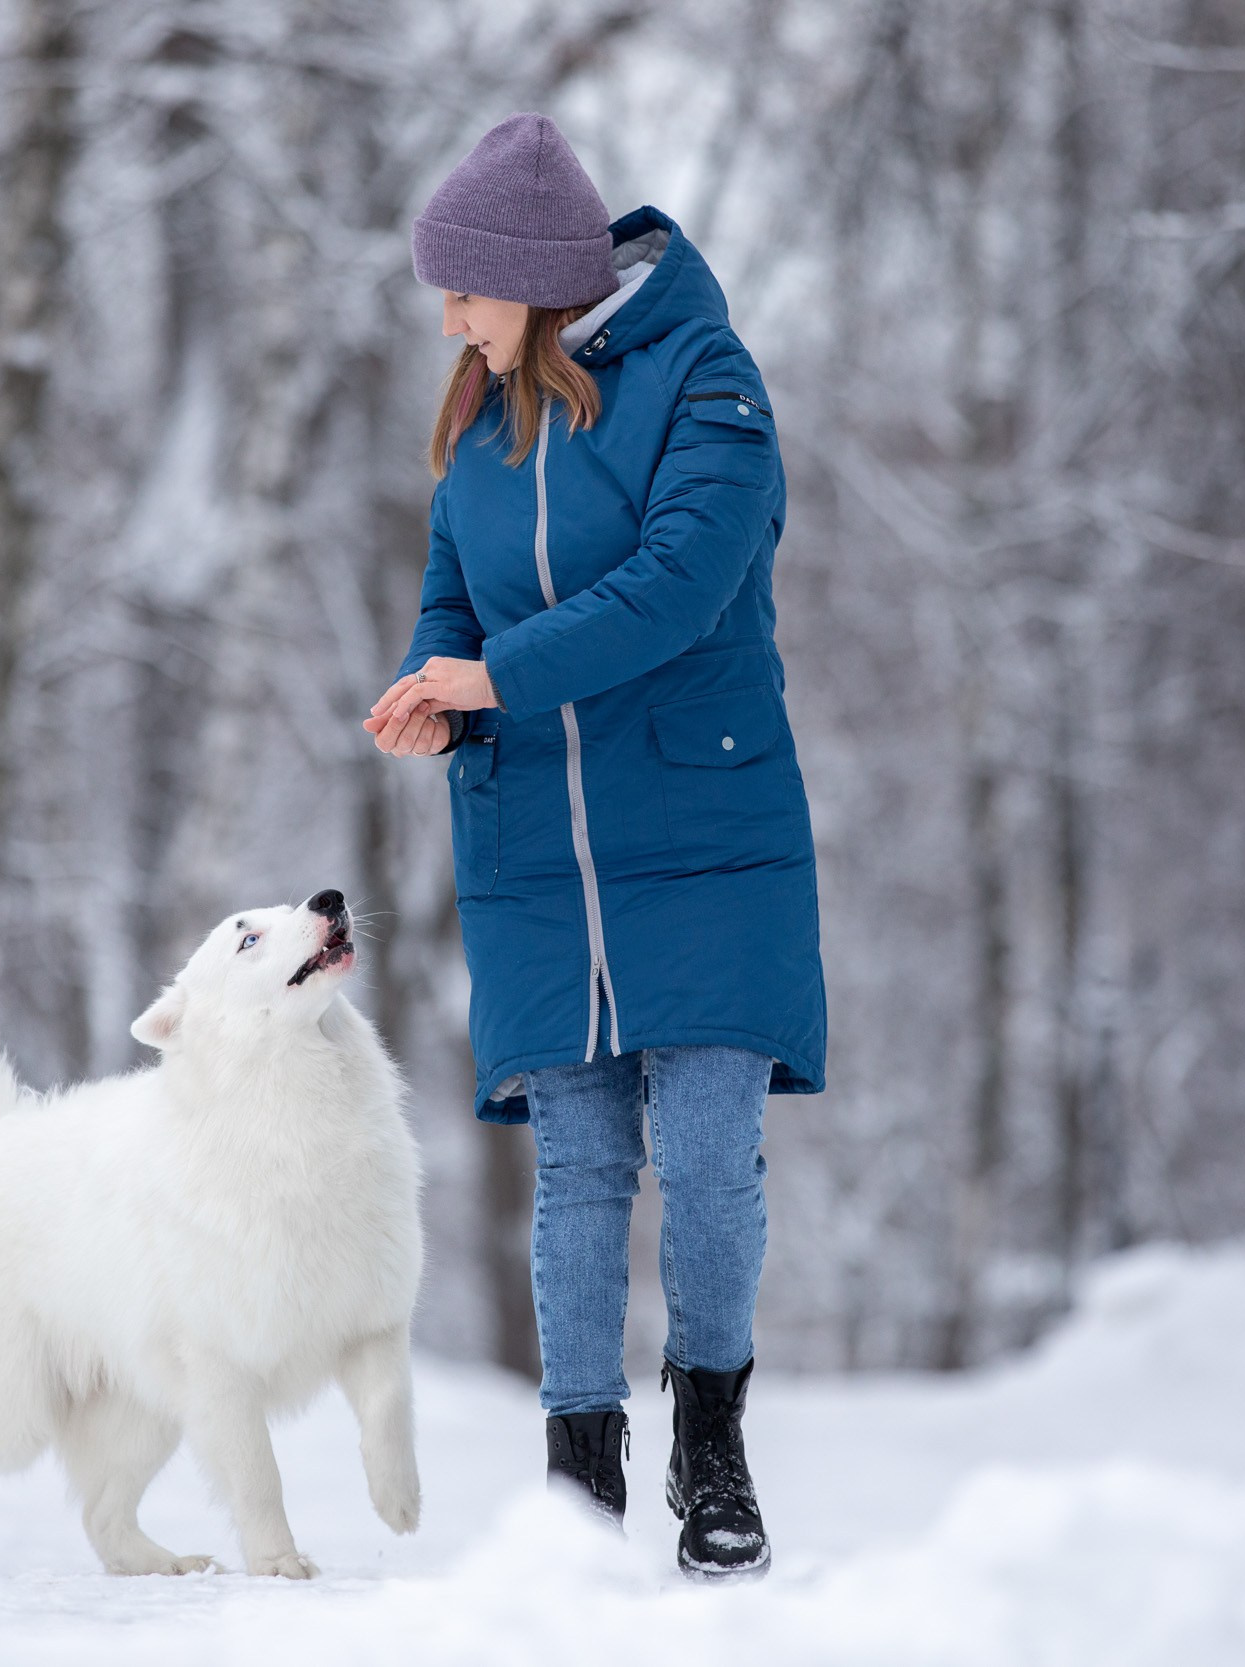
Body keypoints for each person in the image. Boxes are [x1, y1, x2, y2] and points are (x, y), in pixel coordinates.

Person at [362, 112, 826, 1582]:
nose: (450, 318)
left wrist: (495, 678)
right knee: (574, 1170)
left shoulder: (707, 379)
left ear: (538, 280)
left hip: (705, 829)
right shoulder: (479, 423)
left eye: (468, 291)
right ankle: (578, 1486)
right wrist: (439, 691)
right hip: (534, 851)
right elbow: (452, 596)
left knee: (705, 1154)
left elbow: (684, 583)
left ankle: (711, 1451)